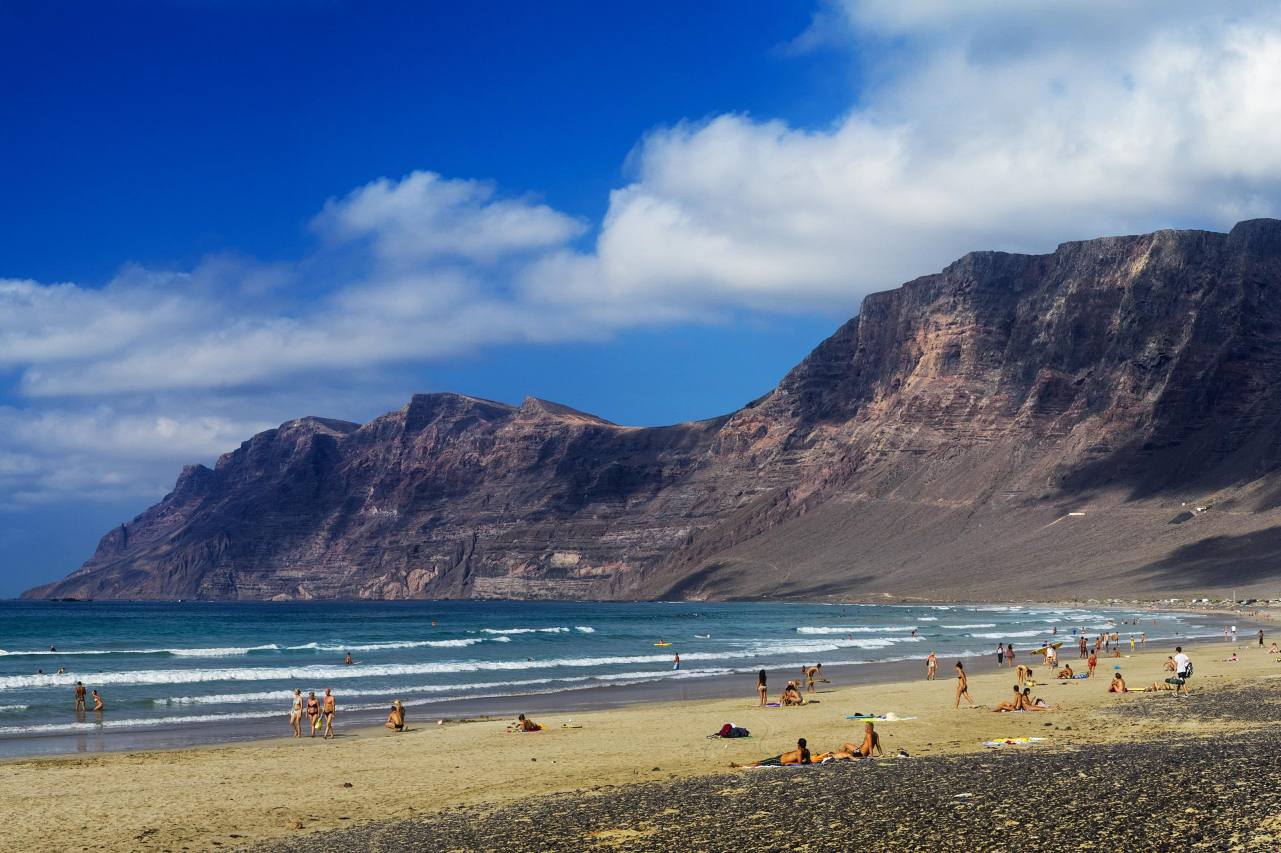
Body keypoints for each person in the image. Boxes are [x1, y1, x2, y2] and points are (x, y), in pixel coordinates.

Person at [738, 737, 812, 767]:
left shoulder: (799, 752)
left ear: (798, 744)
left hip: (780, 761)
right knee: (762, 762)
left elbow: (799, 764)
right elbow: (809, 762)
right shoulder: (807, 751)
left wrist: (790, 763)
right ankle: (745, 764)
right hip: (780, 758)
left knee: (761, 763)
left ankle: (742, 765)